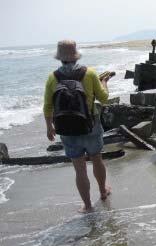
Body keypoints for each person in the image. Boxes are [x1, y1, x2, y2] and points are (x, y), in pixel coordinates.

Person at [43, 40, 112, 213]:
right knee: (96, 159)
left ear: (60, 58)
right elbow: (104, 98)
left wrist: (49, 127)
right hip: (91, 125)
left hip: (67, 129)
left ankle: (88, 205)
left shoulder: (53, 77)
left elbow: (47, 106)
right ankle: (103, 191)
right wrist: (104, 82)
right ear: (75, 55)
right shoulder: (89, 73)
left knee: (79, 168)